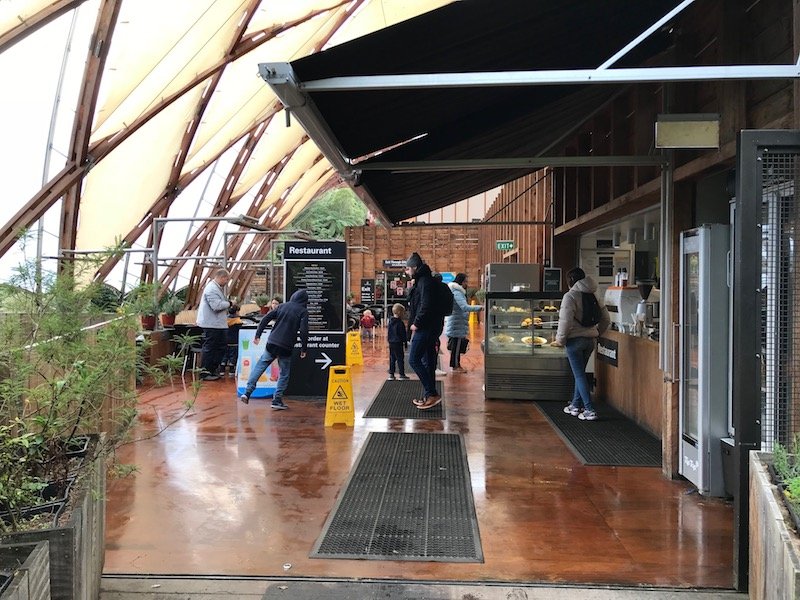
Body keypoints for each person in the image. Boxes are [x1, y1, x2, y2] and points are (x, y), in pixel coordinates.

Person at [550, 267, 610, 421]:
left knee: (579, 375)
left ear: (570, 281)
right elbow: (606, 319)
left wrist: (560, 340)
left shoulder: (570, 296)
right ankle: (575, 405)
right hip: (590, 341)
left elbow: (565, 321)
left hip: (574, 341)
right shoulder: (595, 294)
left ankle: (589, 409)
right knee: (580, 374)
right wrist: (597, 333)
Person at [239, 289, 309, 409]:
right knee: (284, 374)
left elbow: (265, 319)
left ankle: (247, 392)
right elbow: (304, 331)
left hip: (272, 343)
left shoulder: (282, 306)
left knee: (260, 366)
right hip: (286, 346)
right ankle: (277, 400)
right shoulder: (303, 311)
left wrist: (258, 335)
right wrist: (304, 348)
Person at [405, 252, 446, 410]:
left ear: (415, 268)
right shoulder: (423, 281)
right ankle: (429, 395)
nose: (406, 272)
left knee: (414, 359)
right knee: (428, 363)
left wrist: (416, 323)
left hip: (426, 328)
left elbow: (425, 305)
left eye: (408, 269)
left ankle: (432, 394)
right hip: (431, 327)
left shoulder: (425, 282)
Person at [196, 268, 236, 381]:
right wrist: (230, 303)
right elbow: (216, 306)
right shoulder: (212, 289)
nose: (227, 282)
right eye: (226, 279)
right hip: (211, 324)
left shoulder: (216, 288)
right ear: (221, 277)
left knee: (219, 347)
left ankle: (212, 370)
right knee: (210, 348)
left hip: (216, 324)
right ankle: (205, 372)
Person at [445, 272, 482, 373]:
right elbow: (464, 307)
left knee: (456, 346)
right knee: (456, 347)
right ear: (461, 282)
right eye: (466, 281)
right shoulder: (457, 292)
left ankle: (456, 365)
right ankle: (456, 366)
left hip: (457, 322)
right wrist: (480, 308)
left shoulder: (456, 291)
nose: (467, 284)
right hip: (457, 323)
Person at [387, 303, 409, 380]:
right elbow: (403, 334)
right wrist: (405, 343)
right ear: (400, 312)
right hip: (398, 343)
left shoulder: (390, 322)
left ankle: (391, 374)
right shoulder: (400, 323)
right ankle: (402, 374)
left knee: (392, 358)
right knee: (400, 358)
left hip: (391, 342)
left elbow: (389, 332)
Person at [224, 304, 243, 376]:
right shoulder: (238, 321)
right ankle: (232, 370)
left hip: (225, 341)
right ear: (237, 312)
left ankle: (222, 369)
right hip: (234, 341)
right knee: (233, 355)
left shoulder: (225, 320)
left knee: (225, 354)